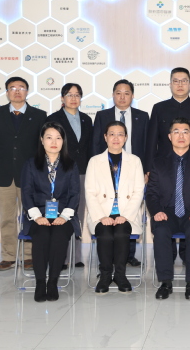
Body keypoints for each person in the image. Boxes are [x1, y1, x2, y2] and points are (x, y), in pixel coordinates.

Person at [146, 67, 190, 263]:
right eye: (176, 81)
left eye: (184, 81)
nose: (180, 84)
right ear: (170, 84)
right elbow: (152, 140)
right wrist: (148, 169)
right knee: (168, 212)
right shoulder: (159, 108)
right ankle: (168, 254)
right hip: (164, 170)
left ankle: (186, 253)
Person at [147, 118, 190, 300]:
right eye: (176, 131)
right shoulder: (158, 162)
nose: (181, 135)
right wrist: (156, 211)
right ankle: (165, 282)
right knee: (161, 231)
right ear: (169, 136)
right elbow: (151, 193)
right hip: (166, 211)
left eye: (185, 132)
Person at [0, 76, 47, 271]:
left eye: (21, 87)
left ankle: (29, 256)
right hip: (3, 174)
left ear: (27, 92)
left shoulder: (39, 115)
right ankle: (9, 256)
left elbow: (41, 146)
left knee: (31, 216)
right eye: (12, 88)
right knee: (7, 217)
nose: (17, 91)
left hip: (30, 175)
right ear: (7, 93)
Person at [20, 122, 81, 302]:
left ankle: (53, 281)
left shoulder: (71, 165)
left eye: (58, 138)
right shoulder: (31, 164)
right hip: (37, 215)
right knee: (42, 234)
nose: (54, 142)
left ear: (63, 141)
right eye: (49, 137)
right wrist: (37, 217)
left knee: (59, 235)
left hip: (64, 216)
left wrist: (64, 216)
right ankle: (40, 282)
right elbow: (26, 193)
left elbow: (75, 194)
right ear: (42, 140)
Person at [92, 79, 149, 268]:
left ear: (132, 96)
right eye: (118, 93)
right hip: (107, 168)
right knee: (108, 210)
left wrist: (147, 170)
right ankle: (107, 259)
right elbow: (96, 144)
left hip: (133, 170)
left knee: (129, 210)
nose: (122, 97)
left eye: (126, 93)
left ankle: (128, 255)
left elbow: (147, 145)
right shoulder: (102, 115)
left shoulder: (142, 116)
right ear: (113, 95)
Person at [85, 121, 145, 294]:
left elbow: (138, 191)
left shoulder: (135, 161)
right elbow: (90, 192)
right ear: (105, 137)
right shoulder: (94, 161)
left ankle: (120, 275)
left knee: (120, 233)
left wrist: (125, 215)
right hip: (101, 213)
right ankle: (105, 275)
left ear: (126, 138)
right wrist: (101, 216)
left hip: (126, 214)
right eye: (112, 134)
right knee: (104, 233)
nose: (116, 138)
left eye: (120, 134)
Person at [46, 83, 93, 268]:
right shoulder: (53, 119)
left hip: (82, 172)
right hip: (60, 172)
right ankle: (61, 257)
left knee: (78, 214)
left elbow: (89, 147)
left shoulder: (86, 119)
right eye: (69, 94)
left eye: (77, 95)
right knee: (60, 213)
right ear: (62, 98)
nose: (73, 98)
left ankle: (76, 257)